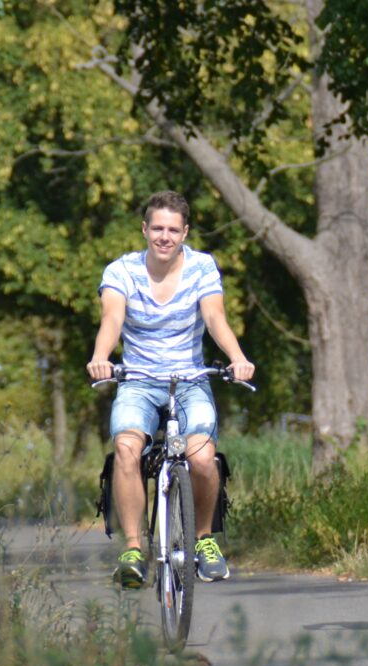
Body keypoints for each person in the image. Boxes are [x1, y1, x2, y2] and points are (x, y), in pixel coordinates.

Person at [87, 191, 255, 588]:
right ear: (145, 229)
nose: (165, 236)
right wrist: (101, 355)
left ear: (185, 233)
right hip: (139, 380)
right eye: (158, 228)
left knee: (202, 457)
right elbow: (112, 317)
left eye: (173, 230)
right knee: (127, 447)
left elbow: (214, 317)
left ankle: (204, 541)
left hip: (190, 379)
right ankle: (132, 550)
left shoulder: (202, 267)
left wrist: (236, 356)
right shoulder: (121, 271)